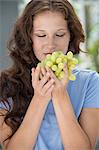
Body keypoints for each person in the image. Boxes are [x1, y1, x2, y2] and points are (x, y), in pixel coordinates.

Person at [0, 0, 99, 149]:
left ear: (70, 36)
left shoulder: (90, 82)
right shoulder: (6, 85)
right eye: (41, 35)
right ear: (29, 38)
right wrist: (40, 99)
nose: (51, 44)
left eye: (59, 34)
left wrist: (60, 96)